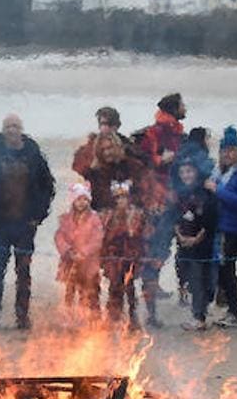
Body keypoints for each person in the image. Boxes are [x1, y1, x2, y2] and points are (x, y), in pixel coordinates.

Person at [0, 113, 55, 329]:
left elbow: (47, 188)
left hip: (25, 225)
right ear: (3, 130)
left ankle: (22, 317)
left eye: (15, 126)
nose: (12, 130)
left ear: (21, 130)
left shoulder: (34, 155)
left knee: (24, 272)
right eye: (8, 126)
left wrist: (38, 217)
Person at [83, 132, 158, 326]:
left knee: (130, 276)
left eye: (110, 147)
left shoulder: (134, 167)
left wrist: (136, 210)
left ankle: (132, 316)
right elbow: (89, 202)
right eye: (103, 149)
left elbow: (147, 194)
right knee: (111, 274)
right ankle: (111, 316)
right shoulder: (95, 173)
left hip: (132, 229)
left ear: (118, 146)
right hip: (107, 231)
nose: (107, 152)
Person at [136, 93, 187, 327]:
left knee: (164, 251)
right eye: (182, 105)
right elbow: (141, 163)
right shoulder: (153, 133)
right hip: (157, 203)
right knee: (153, 253)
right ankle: (151, 312)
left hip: (175, 201)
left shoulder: (177, 133)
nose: (185, 108)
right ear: (174, 109)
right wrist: (161, 160)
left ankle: (157, 293)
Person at [213, 126, 237, 326]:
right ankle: (226, 305)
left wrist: (217, 190)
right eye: (224, 150)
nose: (228, 153)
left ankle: (234, 311)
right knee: (219, 269)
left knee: (228, 268)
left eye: (231, 150)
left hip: (234, 228)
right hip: (217, 227)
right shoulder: (218, 171)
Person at [174, 158, 218, 330]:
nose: (186, 175)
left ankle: (199, 316)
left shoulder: (206, 193)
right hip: (183, 244)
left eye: (190, 171)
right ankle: (198, 312)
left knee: (200, 278)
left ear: (197, 172)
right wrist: (180, 236)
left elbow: (210, 222)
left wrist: (195, 239)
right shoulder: (179, 194)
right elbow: (175, 218)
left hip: (202, 245)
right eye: (183, 172)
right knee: (189, 279)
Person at [54, 182, 103, 313]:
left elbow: (97, 239)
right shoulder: (66, 219)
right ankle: (68, 316)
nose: (81, 203)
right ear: (73, 201)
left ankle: (89, 317)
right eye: (78, 199)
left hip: (89, 263)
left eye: (85, 199)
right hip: (70, 261)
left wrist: (84, 252)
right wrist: (67, 250)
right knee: (70, 289)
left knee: (89, 290)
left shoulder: (95, 219)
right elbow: (59, 236)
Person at [71, 106, 126, 179]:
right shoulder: (87, 149)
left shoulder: (128, 147)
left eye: (110, 124)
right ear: (99, 125)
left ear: (117, 126)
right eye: (104, 124)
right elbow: (79, 170)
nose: (107, 128)